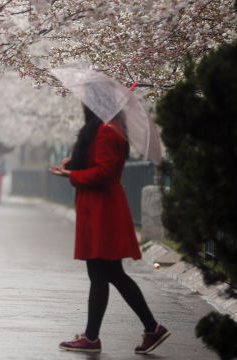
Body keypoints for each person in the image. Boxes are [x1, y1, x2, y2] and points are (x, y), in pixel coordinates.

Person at [49, 104, 170, 355]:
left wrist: (71, 175)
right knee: (107, 274)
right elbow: (99, 161)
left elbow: (104, 171)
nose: (81, 105)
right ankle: (133, 331)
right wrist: (75, 163)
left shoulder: (106, 130)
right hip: (99, 208)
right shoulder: (106, 128)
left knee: (107, 273)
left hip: (102, 210)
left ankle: (130, 331)